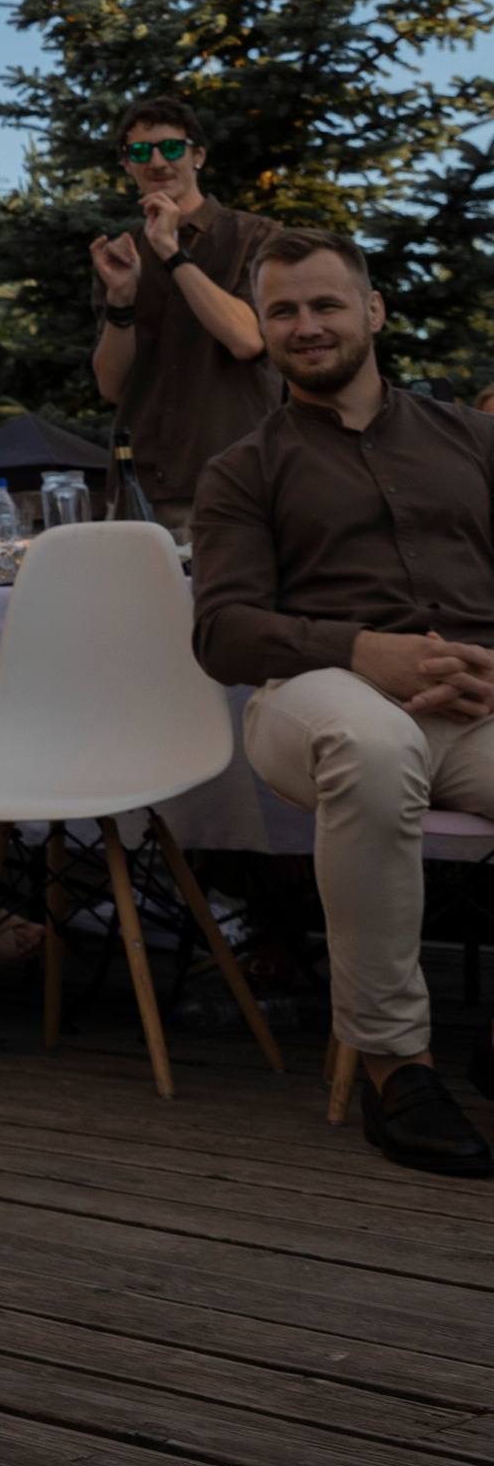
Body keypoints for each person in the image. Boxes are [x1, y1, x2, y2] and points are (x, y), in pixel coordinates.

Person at [191, 226, 494, 1179]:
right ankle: (397, 1064)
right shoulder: (242, 469)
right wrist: (365, 652)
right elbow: (224, 633)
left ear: (373, 311)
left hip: (474, 703)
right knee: (371, 744)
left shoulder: (476, 442)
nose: (306, 326)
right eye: (282, 311)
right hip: (312, 699)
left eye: (326, 304)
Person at [91, 98, 276, 522]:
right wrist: (121, 301)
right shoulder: (121, 254)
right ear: (127, 166)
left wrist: (171, 253)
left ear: (198, 156)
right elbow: (112, 386)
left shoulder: (256, 237)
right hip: (139, 490)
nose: (156, 161)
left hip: (235, 486)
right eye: (140, 152)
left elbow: (247, 339)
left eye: (171, 148)